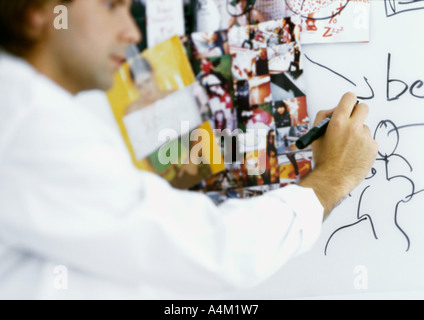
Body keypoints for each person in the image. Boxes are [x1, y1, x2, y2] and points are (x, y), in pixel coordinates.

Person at [0, 0, 378, 299]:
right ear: (41, 11)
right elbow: (216, 250)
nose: (132, 32)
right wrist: (331, 178)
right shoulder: (26, 124)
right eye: (111, 5)